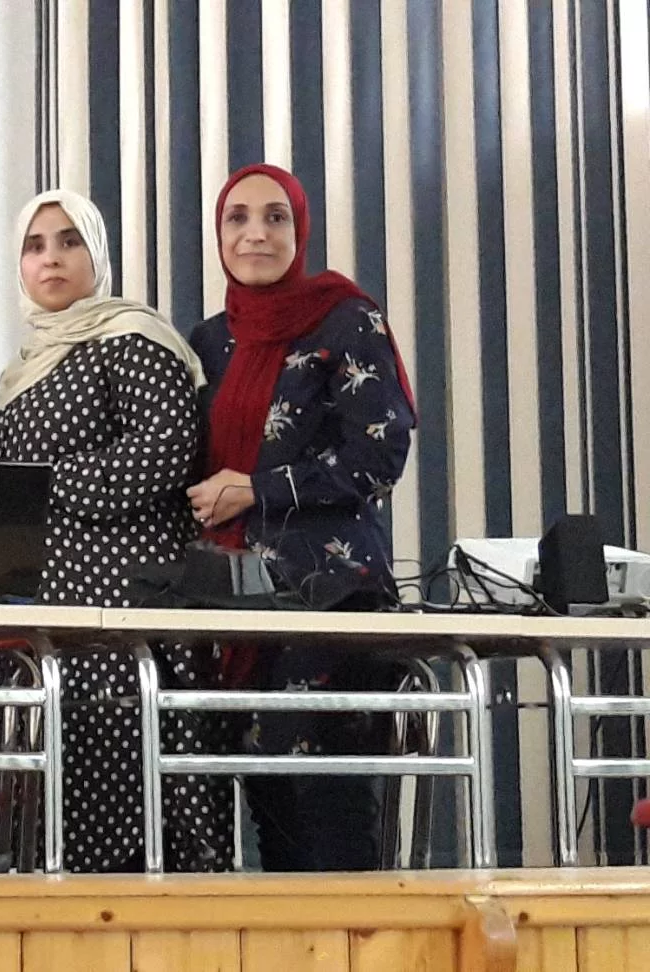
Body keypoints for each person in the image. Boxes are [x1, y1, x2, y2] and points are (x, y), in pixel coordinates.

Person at [0, 189, 228, 874]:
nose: (52, 258)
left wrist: (45, 485)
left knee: (128, 796)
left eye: (70, 242)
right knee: (43, 802)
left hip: (121, 608)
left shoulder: (132, 338)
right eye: (35, 246)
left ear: (97, 253)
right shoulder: (20, 369)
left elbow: (166, 449)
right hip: (39, 614)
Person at [188, 163, 417, 872]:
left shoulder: (345, 319)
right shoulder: (210, 342)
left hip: (330, 599)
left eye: (275, 217)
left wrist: (258, 490)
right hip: (236, 605)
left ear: (300, 231)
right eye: (237, 218)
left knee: (329, 805)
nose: (255, 233)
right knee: (269, 810)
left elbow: (379, 455)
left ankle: (360, 934)